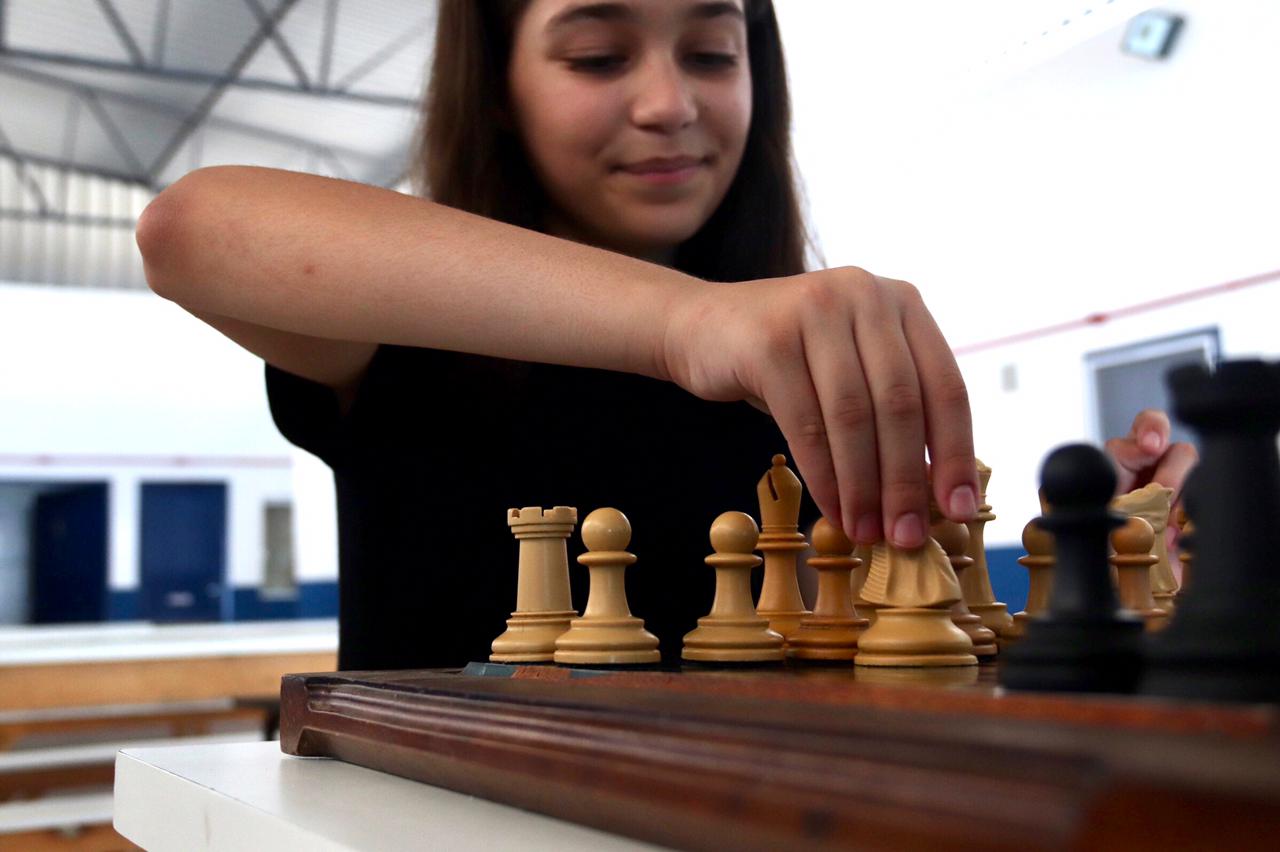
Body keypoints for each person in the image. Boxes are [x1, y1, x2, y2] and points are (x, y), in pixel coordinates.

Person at [135, 0, 1194, 668]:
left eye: (711, 50)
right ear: (497, 92)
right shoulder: (401, 341)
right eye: (597, 54)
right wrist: (686, 320)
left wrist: (1108, 526)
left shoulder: (791, 358)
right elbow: (189, 228)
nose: (668, 103)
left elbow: (876, 618)